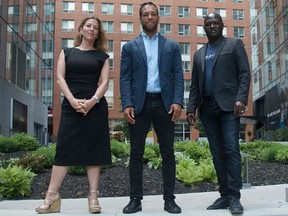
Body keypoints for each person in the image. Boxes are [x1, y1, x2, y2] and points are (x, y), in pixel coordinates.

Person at [35, 16, 112, 214]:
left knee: (93, 152)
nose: (91, 29)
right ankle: (51, 196)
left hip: (94, 107)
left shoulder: (102, 56)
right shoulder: (67, 52)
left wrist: (92, 101)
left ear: (98, 33)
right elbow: (60, 78)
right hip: (71, 106)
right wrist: (71, 100)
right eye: (88, 25)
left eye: (95, 27)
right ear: (80, 29)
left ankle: (93, 197)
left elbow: (104, 83)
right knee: (64, 150)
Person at [120, 2, 184, 214]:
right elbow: (125, 78)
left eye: (153, 14)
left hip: (165, 105)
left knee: (168, 153)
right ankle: (135, 201)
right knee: (136, 153)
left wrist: (177, 101)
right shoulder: (129, 47)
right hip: (139, 104)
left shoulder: (171, 46)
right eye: (145, 14)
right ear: (140, 18)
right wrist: (127, 103)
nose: (149, 17)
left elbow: (178, 77)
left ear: (158, 17)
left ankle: (169, 201)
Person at [187, 12, 250, 215]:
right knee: (216, 153)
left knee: (231, 149)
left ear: (222, 25)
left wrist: (241, 98)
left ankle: (234, 197)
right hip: (207, 109)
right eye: (208, 23)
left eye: (216, 23)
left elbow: (244, 73)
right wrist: (191, 108)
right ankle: (224, 195)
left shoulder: (233, 45)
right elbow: (195, 85)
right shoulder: (198, 54)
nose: (212, 26)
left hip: (229, 107)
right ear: (204, 27)